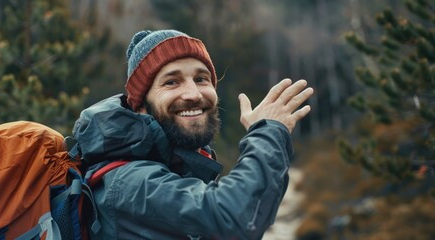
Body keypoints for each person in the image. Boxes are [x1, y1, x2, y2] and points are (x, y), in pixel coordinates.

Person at [74, 29, 313, 239]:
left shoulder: (178, 164)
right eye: (171, 82)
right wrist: (268, 132)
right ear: (140, 105)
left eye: (201, 79)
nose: (193, 94)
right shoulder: (128, 184)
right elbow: (235, 219)